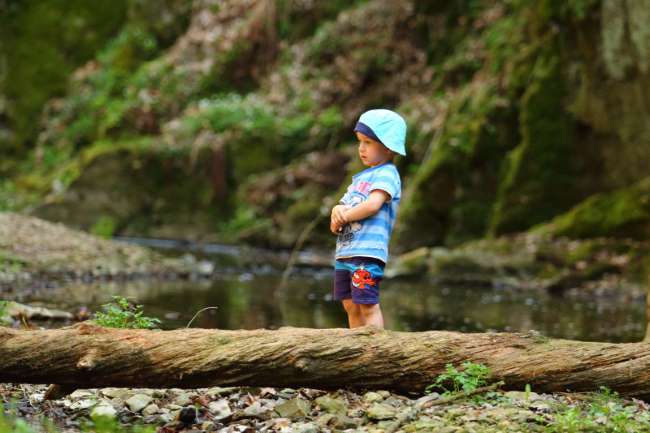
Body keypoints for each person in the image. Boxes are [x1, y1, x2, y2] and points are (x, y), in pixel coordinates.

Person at [330, 109, 406, 329]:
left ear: (388, 146)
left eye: (368, 142)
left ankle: (376, 349)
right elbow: (344, 206)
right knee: (350, 304)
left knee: (367, 303)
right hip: (346, 251)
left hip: (367, 252)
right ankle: (357, 346)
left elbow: (373, 204)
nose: (361, 148)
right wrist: (336, 212)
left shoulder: (387, 174)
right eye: (359, 142)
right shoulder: (360, 179)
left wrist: (345, 214)